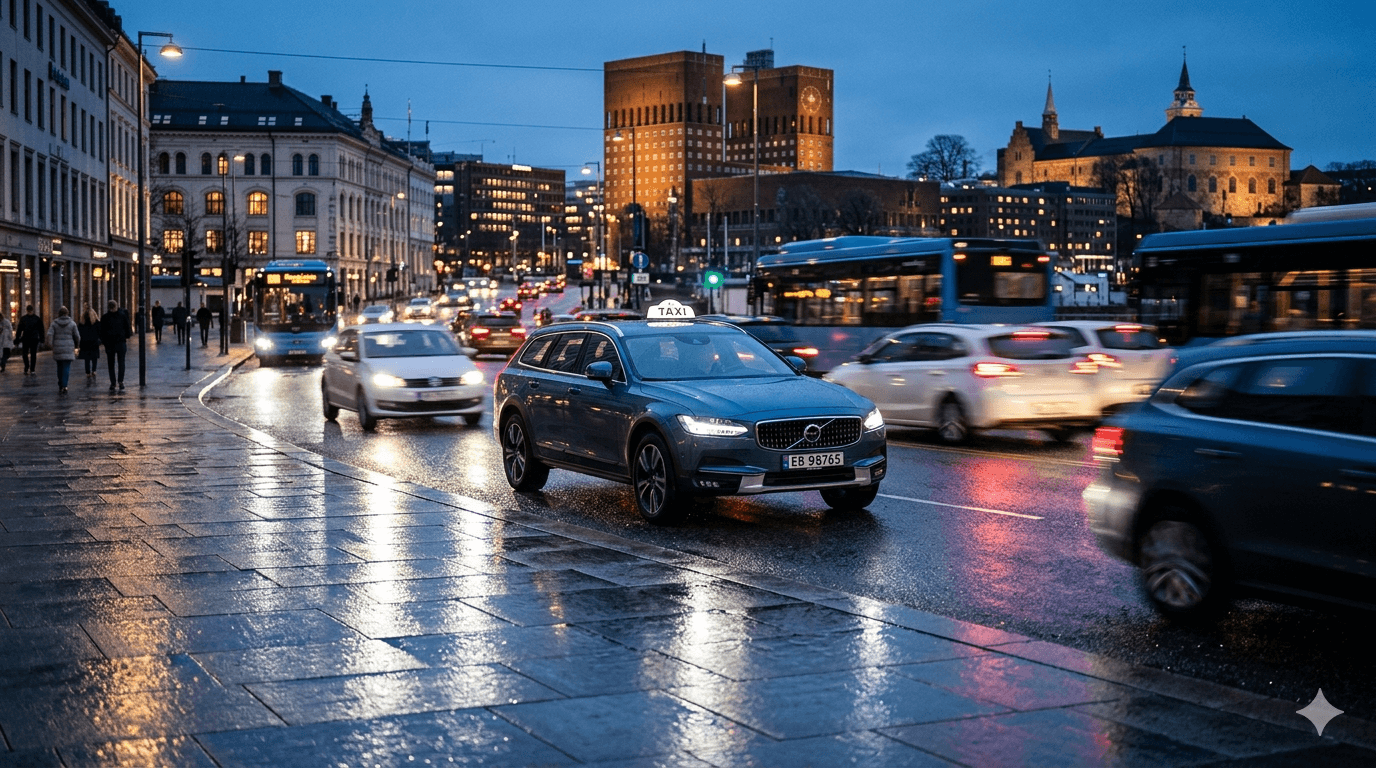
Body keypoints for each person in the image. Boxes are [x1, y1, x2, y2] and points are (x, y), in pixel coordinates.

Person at [45, 306, 81, 395]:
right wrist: (77, 345)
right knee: (66, 367)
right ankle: (64, 385)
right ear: (67, 313)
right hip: (68, 348)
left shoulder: (54, 323)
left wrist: (50, 345)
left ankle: (60, 383)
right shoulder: (72, 323)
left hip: (58, 348)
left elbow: (49, 334)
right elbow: (77, 336)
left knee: (59, 366)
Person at [99, 300, 132, 391]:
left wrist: (104, 341)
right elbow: (127, 328)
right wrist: (126, 336)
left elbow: (101, 331)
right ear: (116, 306)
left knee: (111, 364)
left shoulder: (105, 317)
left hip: (109, 344)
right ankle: (120, 381)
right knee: (121, 362)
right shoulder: (122, 316)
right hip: (120, 342)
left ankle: (113, 383)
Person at [16, 305, 44, 375]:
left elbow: (41, 330)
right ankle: (29, 368)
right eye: (29, 311)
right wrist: (17, 338)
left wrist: (42, 339)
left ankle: (30, 368)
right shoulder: (36, 318)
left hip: (30, 338)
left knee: (30, 354)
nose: (30, 312)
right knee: (28, 354)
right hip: (30, 338)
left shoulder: (25, 318)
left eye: (30, 311)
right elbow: (19, 329)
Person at [77, 306, 102, 380]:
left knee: (87, 358)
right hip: (94, 342)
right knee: (94, 357)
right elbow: (100, 332)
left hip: (85, 342)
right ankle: (94, 370)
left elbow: (79, 332)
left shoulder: (82, 323)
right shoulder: (96, 322)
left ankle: (87, 372)